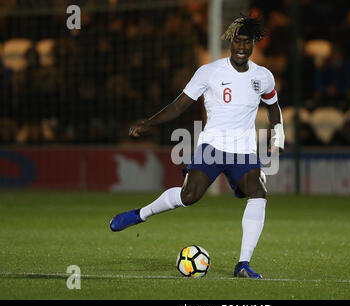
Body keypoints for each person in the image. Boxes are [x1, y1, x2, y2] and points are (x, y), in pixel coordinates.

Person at [109, 15, 285, 279]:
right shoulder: (210, 71)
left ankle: (243, 264)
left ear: (253, 46)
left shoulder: (263, 77)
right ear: (230, 42)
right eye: (237, 40)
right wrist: (149, 122)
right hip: (212, 145)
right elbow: (180, 104)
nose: (241, 47)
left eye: (247, 42)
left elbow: (273, 108)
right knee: (189, 196)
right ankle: (140, 214)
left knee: (258, 193)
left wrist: (278, 138)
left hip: (243, 151)